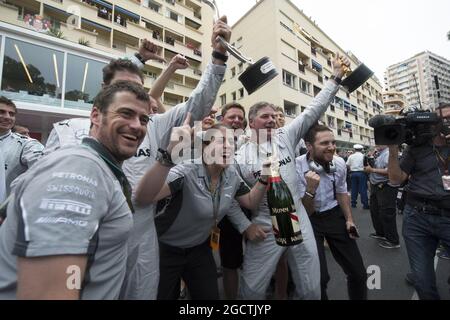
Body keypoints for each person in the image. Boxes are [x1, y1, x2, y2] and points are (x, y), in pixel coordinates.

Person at [43, 17, 231, 300]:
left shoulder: (153, 125)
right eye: (122, 90)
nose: (132, 98)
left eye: (138, 92)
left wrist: (218, 55)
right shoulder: (68, 130)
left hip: (142, 239)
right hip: (85, 246)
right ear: (102, 95)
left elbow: (198, 103)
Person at [0, 81, 150, 299]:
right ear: (96, 116)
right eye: (126, 113)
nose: (137, 125)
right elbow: (48, 292)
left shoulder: (94, 166)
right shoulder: (82, 168)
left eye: (144, 119)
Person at [235, 53, 350, 300]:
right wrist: (245, 226)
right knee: (253, 288)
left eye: (272, 116)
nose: (270, 120)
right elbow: (230, 197)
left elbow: (313, 109)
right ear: (251, 122)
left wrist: (336, 77)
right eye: (263, 117)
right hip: (264, 221)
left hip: (295, 213)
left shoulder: (285, 136)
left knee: (310, 282)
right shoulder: (239, 156)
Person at [135, 123, 270, 300]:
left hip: (199, 249)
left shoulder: (231, 175)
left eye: (232, 142)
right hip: (166, 251)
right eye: (222, 141)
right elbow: (143, 197)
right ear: (205, 146)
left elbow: (251, 202)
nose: (228, 147)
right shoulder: (186, 171)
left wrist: (264, 177)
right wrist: (168, 156)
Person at [387, 103, 450, 300]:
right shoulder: (416, 148)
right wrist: (392, 148)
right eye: (444, 117)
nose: (447, 121)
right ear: (434, 121)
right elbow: (396, 179)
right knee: (423, 281)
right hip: (417, 218)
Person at [296, 124, 367, 300]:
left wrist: (349, 219)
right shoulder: (296, 167)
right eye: (324, 143)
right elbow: (305, 210)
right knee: (318, 279)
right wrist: (310, 190)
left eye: (333, 142)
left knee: (359, 274)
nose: (332, 147)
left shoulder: (340, 162)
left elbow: (342, 192)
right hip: (309, 219)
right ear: (309, 146)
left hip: (333, 214)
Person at [0, 97, 43, 197]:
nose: (7, 117)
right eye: (1, 112)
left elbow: (44, 166)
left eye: (12, 114)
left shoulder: (26, 144)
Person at [365, 145, 400, 249]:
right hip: (376, 185)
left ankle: (393, 241)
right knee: (375, 211)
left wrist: (372, 170)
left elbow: (391, 171)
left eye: (380, 142)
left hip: (386, 186)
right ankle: (381, 233)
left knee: (387, 213)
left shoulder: (388, 153)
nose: (377, 144)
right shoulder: (379, 153)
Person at [346, 144, 369, 209]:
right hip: (361, 173)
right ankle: (365, 204)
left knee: (353, 188)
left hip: (353, 173)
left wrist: (351, 168)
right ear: (361, 149)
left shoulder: (351, 156)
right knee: (363, 189)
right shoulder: (363, 156)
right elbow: (366, 165)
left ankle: (353, 203)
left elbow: (347, 165)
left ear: (354, 149)